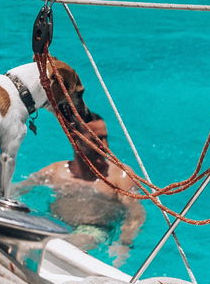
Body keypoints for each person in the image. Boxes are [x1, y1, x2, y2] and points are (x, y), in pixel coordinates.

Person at [18, 108, 147, 267]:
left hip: (93, 230)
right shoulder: (55, 171)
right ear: (75, 139)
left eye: (105, 138)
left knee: (71, 243)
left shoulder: (120, 176)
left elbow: (136, 214)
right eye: (96, 139)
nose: (104, 145)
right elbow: (17, 191)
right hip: (56, 224)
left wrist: (124, 244)